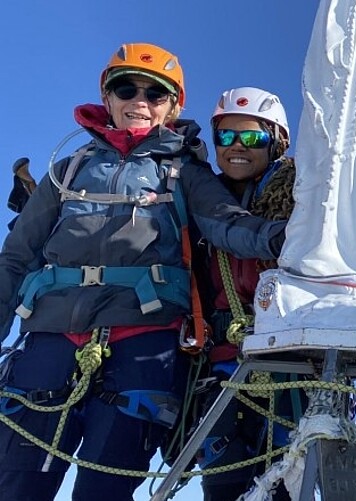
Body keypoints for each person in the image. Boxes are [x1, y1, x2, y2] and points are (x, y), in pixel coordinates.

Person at [0, 43, 286, 501]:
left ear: (173, 106)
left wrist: (284, 236)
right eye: (126, 88)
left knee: (104, 489)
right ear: (107, 97)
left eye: (155, 93)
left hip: (142, 342)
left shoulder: (184, 172)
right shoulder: (67, 171)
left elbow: (226, 224)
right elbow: (16, 256)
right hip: (50, 339)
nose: (140, 101)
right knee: (17, 484)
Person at [195, 86, 298, 501]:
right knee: (223, 482)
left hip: (288, 361)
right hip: (220, 360)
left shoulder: (305, 196)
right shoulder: (198, 200)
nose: (237, 146)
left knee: (288, 478)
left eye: (252, 137)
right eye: (226, 136)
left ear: (278, 141)